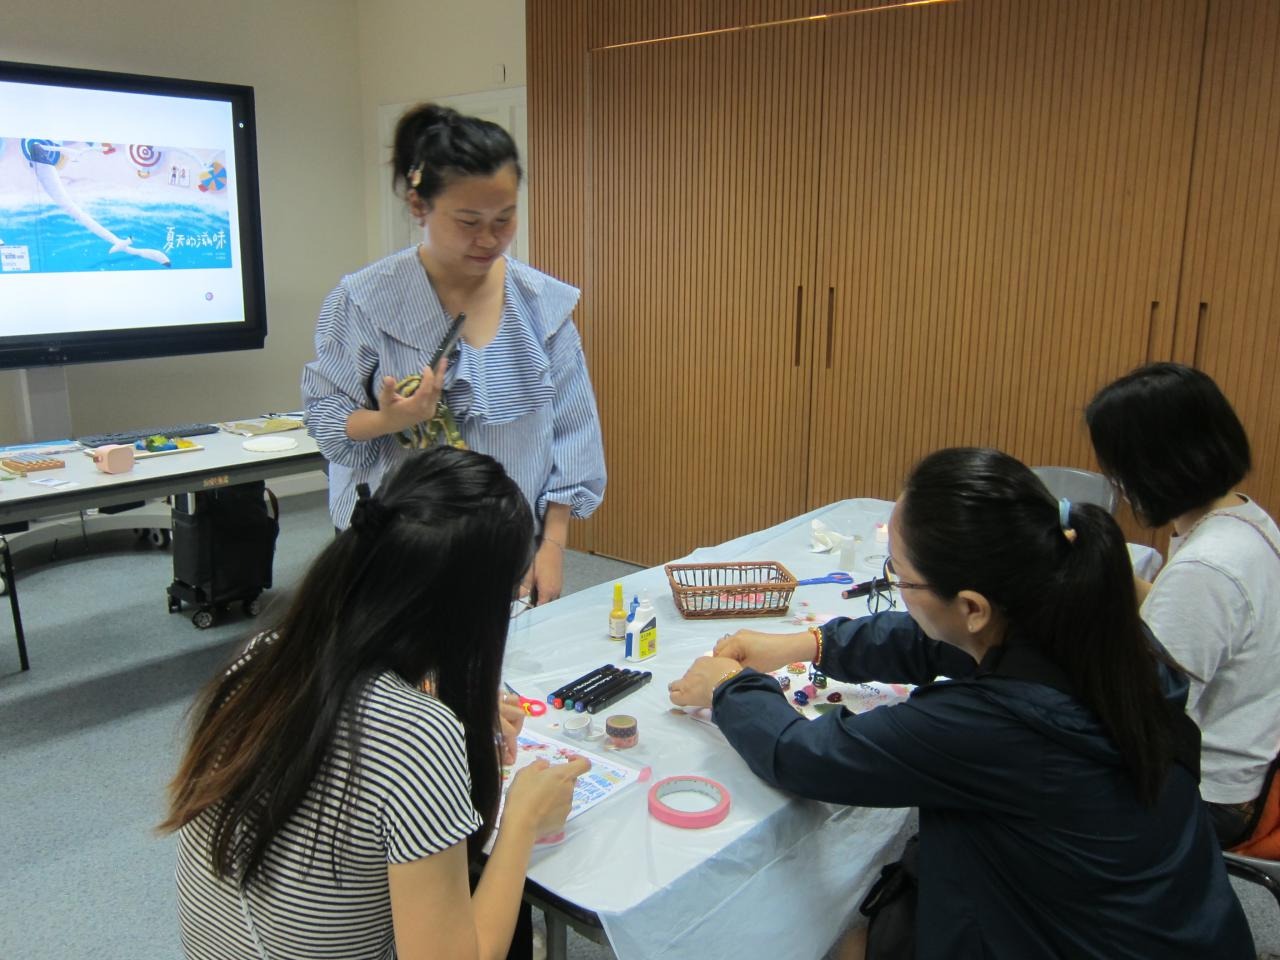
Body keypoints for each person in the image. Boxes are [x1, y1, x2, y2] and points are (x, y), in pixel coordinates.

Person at [669, 447, 1253, 960]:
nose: (897, 588)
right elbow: (940, 643)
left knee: (846, 944)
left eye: (901, 578)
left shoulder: (994, 727)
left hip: (1079, 939)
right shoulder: (1097, 633)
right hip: (1181, 926)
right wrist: (812, 644)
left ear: (973, 606)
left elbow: (803, 755)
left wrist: (729, 688)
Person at [161, 447, 590, 960]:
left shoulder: (264, 655)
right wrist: (523, 818)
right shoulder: (418, 734)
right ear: (475, 608)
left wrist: (437, 709)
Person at [302, 103, 606, 604]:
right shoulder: (364, 301)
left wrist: (552, 544)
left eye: (504, 219)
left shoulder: (541, 305)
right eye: (468, 221)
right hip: (396, 546)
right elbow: (325, 415)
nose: (489, 239)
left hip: (506, 543)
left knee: (500, 652)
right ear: (419, 206)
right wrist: (388, 420)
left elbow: (574, 433)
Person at [1086, 361, 1280, 847]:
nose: (1116, 484)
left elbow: (1140, 712)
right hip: (1248, 768)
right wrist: (1108, 569)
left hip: (1209, 795)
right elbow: (1190, 621)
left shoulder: (1206, 568)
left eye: (1118, 468)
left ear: (1152, 468)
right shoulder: (1245, 520)